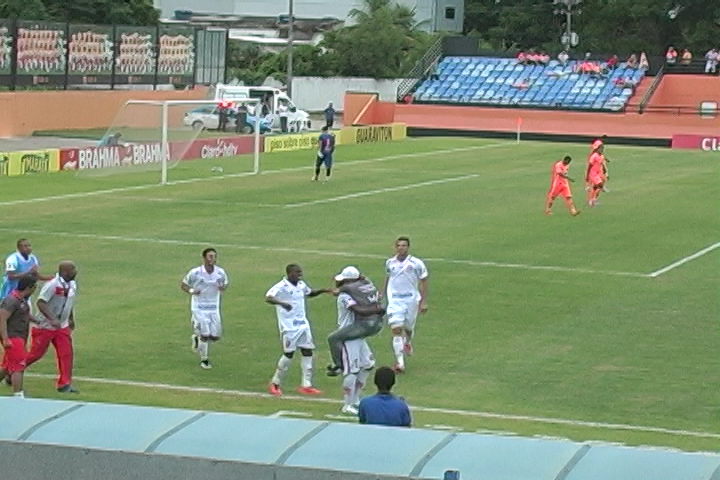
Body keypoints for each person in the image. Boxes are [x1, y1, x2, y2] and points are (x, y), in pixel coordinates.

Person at [265, 264, 332, 396]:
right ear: (290, 273)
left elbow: (309, 293)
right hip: (289, 327)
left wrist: (323, 290)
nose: (300, 275)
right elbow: (269, 297)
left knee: (307, 351)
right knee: (288, 354)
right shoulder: (281, 286)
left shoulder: (301, 284)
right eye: (297, 272)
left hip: (303, 325)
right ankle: (275, 383)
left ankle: (306, 385)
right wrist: (282, 303)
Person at [26, 261, 78, 393]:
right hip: (45, 326)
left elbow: (69, 302)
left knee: (66, 354)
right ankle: (13, 369)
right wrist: (52, 318)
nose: (75, 272)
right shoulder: (52, 285)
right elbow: (41, 302)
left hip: (62, 326)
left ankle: (64, 384)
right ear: (64, 272)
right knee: (35, 354)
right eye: (72, 270)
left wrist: (70, 318)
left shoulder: (72, 285)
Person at [380, 237, 428, 373]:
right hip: (395, 301)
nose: (401, 248)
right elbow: (388, 278)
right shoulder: (390, 262)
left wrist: (423, 301)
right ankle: (400, 363)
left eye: (404, 245)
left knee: (408, 328)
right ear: (395, 247)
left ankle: (407, 342)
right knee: (396, 329)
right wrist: (381, 293)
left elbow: (424, 280)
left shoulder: (416, 263)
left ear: (408, 247)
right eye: (399, 245)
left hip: (411, 300)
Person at [326, 266, 385, 377]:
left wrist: (378, 309)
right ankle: (356, 392)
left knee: (350, 370)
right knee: (367, 365)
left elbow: (358, 310)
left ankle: (340, 366)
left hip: (351, 330)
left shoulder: (345, 295)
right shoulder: (365, 288)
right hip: (363, 329)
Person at [333, 275, 376, 415]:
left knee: (368, 364)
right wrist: (377, 309)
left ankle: (355, 398)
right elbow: (358, 309)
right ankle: (347, 404)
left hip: (358, 333)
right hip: (348, 335)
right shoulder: (345, 296)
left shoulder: (353, 292)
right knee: (352, 370)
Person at [180, 248, 229, 369]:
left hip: (213, 307)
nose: (213, 259)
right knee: (205, 334)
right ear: (204, 258)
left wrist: (222, 287)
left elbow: (225, 284)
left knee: (215, 336)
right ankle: (204, 360)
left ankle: (197, 338)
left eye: (214, 256)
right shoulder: (196, 272)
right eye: (210, 256)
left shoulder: (220, 272)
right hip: (199, 307)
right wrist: (192, 291)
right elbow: (183, 284)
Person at [0, 277, 38, 397]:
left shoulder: (20, 300)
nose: (34, 291)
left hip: (18, 337)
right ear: (29, 288)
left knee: (6, 367)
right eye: (34, 288)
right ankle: (18, 394)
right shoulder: (11, 300)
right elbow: (2, 319)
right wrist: (5, 338)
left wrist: (37, 320)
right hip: (13, 337)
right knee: (18, 366)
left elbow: (24, 314)